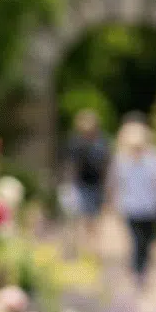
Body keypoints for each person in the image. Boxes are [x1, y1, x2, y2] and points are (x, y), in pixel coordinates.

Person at [108, 113, 156, 293]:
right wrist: (113, 203)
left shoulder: (154, 159)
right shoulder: (121, 159)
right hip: (130, 207)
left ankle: (141, 269)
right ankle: (138, 271)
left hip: (150, 208)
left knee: (147, 242)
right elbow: (115, 184)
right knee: (136, 241)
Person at [58, 108, 110, 256]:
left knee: (93, 218)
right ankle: (78, 248)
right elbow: (70, 164)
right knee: (77, 217)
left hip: (96, 185)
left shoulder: (101, 142)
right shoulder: (75, 142)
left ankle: (91, 248)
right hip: (79, 184)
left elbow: (106, 164)